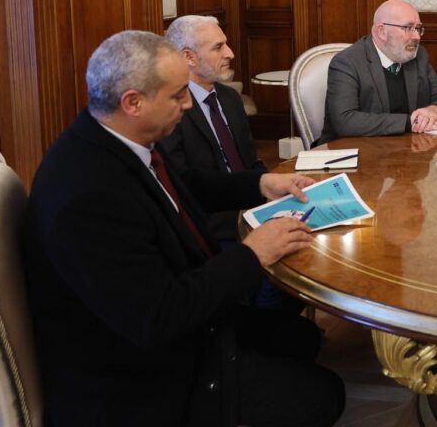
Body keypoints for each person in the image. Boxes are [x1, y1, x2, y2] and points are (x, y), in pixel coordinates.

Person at [24, 31, 345, 426]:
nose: (189, 104)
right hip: (138, 377)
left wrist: (260, 184)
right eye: (178, 96)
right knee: (325, 395)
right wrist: (253, 253)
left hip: (173, 327)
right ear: (133, 102)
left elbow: (184, 185)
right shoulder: (87, 195)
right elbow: (159, 317)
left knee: (301, 337)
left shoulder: (116, 137)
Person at [160, 15, 263, 244]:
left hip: (255, 208)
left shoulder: (230, 98)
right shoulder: (172, 110)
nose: (230, 54)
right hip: (212, 227)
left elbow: (250, 162)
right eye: (218, 47)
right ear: (188, 57)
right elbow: (183, 187)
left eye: (226, 44)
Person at [320, 0, 437, 143]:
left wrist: (434, 110)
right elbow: (345, 121)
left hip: (403, 148)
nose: (417, 36)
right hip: (351, 150)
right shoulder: (347, 62)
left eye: (418, 28)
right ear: (382, 32)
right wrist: (409, 122)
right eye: (408, 28)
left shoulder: (418, 56)